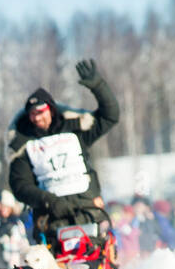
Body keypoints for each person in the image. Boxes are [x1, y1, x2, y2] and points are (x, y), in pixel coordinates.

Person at [8, 59, 120, 246]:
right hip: (51, 218)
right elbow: (20, 185)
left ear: (50, 109)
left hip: (88, 209)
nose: (37, 118)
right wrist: (48, 200)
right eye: (32, 114)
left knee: (97, 260)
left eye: (41, 112)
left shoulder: (75, 129)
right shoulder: (23, 145)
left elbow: (110, 116)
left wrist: (98, 86)